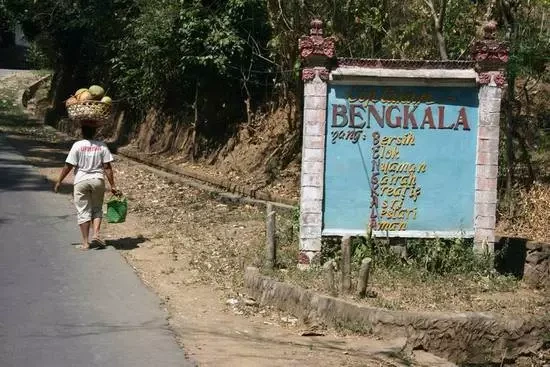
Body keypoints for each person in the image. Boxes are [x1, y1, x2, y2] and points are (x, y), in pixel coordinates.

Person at [54, 122, 118, 250]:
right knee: (97, 208)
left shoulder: (77, 145)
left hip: (81, 181)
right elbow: (107, 167)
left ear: (82, 132)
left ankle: (85, 243)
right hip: (97, 180)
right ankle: (96, 234)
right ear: (94, 132)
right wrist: (113, 185)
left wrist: (59, 181)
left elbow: (69, 165)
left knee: (83, 211)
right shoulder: (102, 146)